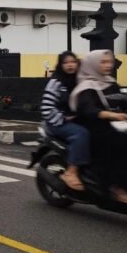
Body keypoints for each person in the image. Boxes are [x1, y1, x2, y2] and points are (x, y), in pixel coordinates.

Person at [70, 50, 127, 205]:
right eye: (103, 62)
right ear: (93, 64)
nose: (108, 65)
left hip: (114, 124)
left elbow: (124, 103)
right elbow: (87, 109)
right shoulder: (86, 86)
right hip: (92, 127)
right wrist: (111, 115)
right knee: (120, 143)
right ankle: (114, 187)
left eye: (110, 62)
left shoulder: (111, 83)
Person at [40, 52, 89, 190]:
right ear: (60, 65)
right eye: (66, 62)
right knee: (82, 133)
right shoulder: (56, 83)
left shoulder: (80, 80)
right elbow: (46, 108)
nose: (70, 65)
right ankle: (71, 172)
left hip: (77, 120)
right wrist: (63, 117)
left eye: (73, 62)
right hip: (57, 123)